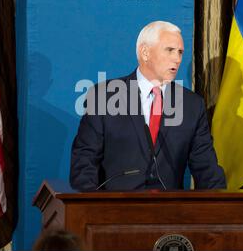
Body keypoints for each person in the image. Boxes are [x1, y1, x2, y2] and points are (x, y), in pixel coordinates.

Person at [70, 21, 226, 191]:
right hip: (113, 212)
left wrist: (222, 208)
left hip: (169, 213)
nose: (177, 59)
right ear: (145, 52)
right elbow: (83, 164)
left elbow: (207, 170)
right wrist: (96, 210)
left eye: (180, 52)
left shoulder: (191, 105)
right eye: (170, 50)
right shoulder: (104, 97)